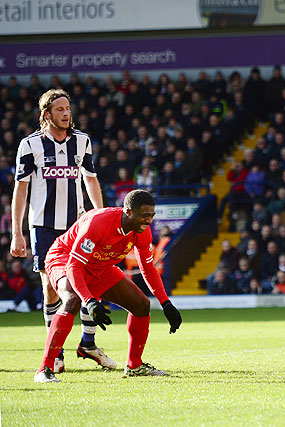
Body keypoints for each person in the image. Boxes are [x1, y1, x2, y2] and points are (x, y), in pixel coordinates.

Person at [10, 88, 112, 373]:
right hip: (43, 226)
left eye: (68, 109)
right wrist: (17, 232)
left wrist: (100, 216)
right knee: (51, 290)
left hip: (77, 224)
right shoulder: (29, 145)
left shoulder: (82, 141)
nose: (67, 114)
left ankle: (88, 343)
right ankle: (55, 353)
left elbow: (91, 179)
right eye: (60, 109)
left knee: (88, 281)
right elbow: (21, 189)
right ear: (46, 114)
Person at [34, 190, 182, 382]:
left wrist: (166, 303)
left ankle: (134, 366)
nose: (149, 221)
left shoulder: (142, 232)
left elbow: (148, 269)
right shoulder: (98, 223)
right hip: (65, 258)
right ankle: (44, 369)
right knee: (72, 300)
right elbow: (75, 265)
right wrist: (90, 300)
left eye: (151, 216)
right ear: (128, 211)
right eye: (144, 216)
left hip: (100, 266)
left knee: (142, 305)